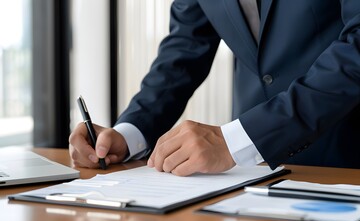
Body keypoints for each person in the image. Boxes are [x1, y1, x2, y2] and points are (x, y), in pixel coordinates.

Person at [69, 0, 360, 176]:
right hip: (251, 175)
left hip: (346, 159)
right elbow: (184, 47)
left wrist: (236, 140)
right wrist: (127, 135)